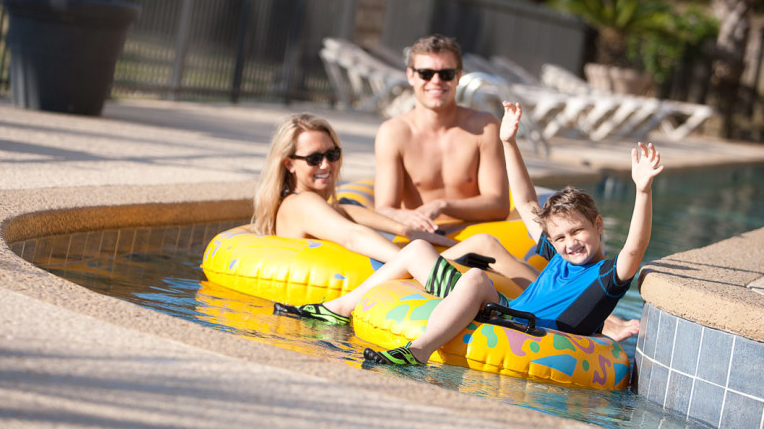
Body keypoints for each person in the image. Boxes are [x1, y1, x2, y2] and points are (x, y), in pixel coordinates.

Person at [275, 102, 661, 356]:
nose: (569, 243)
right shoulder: (557, 252)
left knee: (476, 277)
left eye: (578, 233)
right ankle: (338, 309)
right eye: (560, 237)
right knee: (417, 252)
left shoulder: (606, 276)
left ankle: (419, 350)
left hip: (530, 330)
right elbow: (526, 202)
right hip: (504, 312)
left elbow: (635, 247)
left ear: (598, 225)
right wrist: (509, 141)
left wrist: (642, 189)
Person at [251, 113, 518, 284]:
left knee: (480, 246)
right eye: (313, 158)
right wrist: (412, 260)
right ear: (288, 164)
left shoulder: (322, 206)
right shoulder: (302, 203)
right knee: (484, 244)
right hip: (392, 279)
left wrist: (412, 230)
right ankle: (553, 304)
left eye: (332, 155)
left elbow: (349, 213)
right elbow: (351, 236)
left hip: (387, 273)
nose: (325, 165)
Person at [374, 34, 510, 233]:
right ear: (411, 76)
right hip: (421, 241)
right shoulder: (394, 133)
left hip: (475, 240)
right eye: (426, 73)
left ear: (458, 76)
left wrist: (442, 205)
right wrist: (407, 218)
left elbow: (499, 205)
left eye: (446, 74)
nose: (436, 81)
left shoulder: (485, 127)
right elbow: (384, 209)